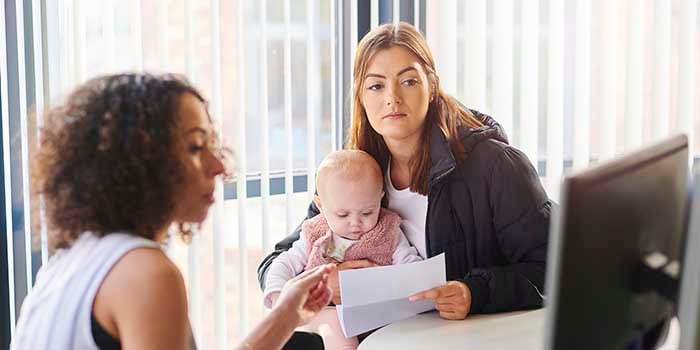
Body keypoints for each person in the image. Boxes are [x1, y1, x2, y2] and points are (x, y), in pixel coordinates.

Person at [11, 73, 334, 350]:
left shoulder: (70, 262)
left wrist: (286, 316)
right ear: (138, 165)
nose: (219, 165)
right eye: (195, 147)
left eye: (211, 145)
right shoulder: (146, 273)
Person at [259, 21, 551, 324]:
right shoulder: (356, 171)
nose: (392, 98)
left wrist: (474, 292)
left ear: (432, 86)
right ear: (361, 96)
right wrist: (325, 286)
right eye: (376, 86)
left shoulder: (496, 165)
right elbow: (278, 261)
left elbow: (554, 268)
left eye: (408, 81)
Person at [263, 150, 422, 349]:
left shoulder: (388, 230)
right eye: (342, 214)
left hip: (375, 314)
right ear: (320, 206)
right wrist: (280, 296)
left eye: (367, 212)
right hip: (322, 310)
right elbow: (284, 262)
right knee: (335, 324)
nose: (355, 223)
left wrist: (389, 281)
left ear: (380, 198)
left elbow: (412, 267)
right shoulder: (314, 232)